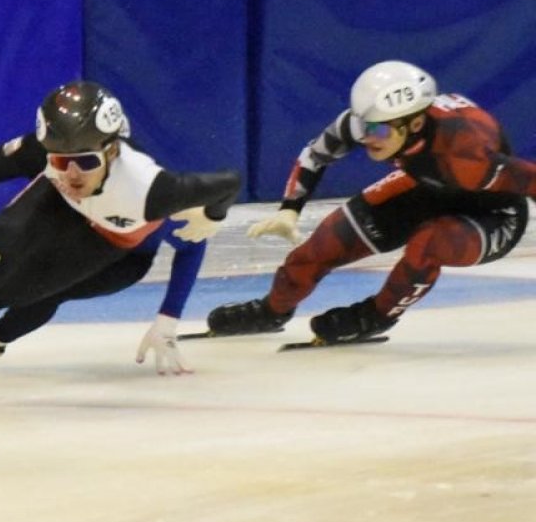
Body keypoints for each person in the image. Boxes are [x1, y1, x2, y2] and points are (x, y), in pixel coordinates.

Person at [0, 81, 239, 368]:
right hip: (80, 228)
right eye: (61, 161)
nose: (72, 172)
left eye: (85, 161)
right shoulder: (57, 161)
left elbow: (192, 241)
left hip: (124, 259)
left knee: (43, 290)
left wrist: (168, 318)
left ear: (111, 156)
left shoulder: (143, 194)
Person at [207, 60, 535, 342]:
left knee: (429, 243)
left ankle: (377, 315)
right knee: (324, 244)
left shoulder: (465, 153)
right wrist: (290, 210)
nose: (365, 138)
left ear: (415, 124)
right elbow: (315, 155)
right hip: (428, 187)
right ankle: (272, 310)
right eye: (363, 126)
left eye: (377, 131)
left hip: (494, 213)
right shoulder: (367, 120)